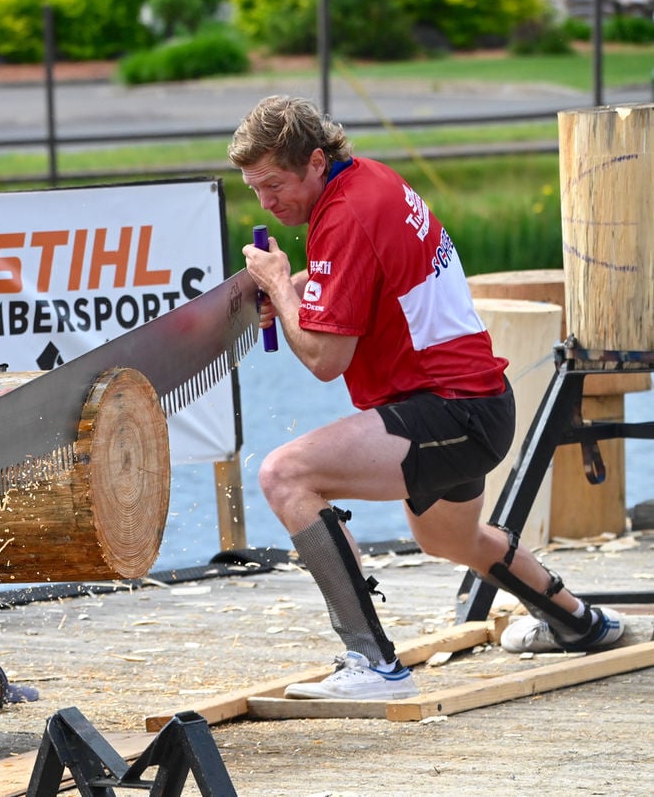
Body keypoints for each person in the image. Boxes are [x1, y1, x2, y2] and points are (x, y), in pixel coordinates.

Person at [230, 95, 624, 701]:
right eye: (255, 190)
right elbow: (367, 278)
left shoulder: (344, 215)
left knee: (285, 476)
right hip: (473, 404)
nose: (267, 203)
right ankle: (581, 623)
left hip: (451, 409)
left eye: (275, 185)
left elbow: (324, 362)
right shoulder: (367, 182)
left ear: (314, 161)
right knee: (447, 540)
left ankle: (375, 663)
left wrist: (282, 287)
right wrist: (305, 285)